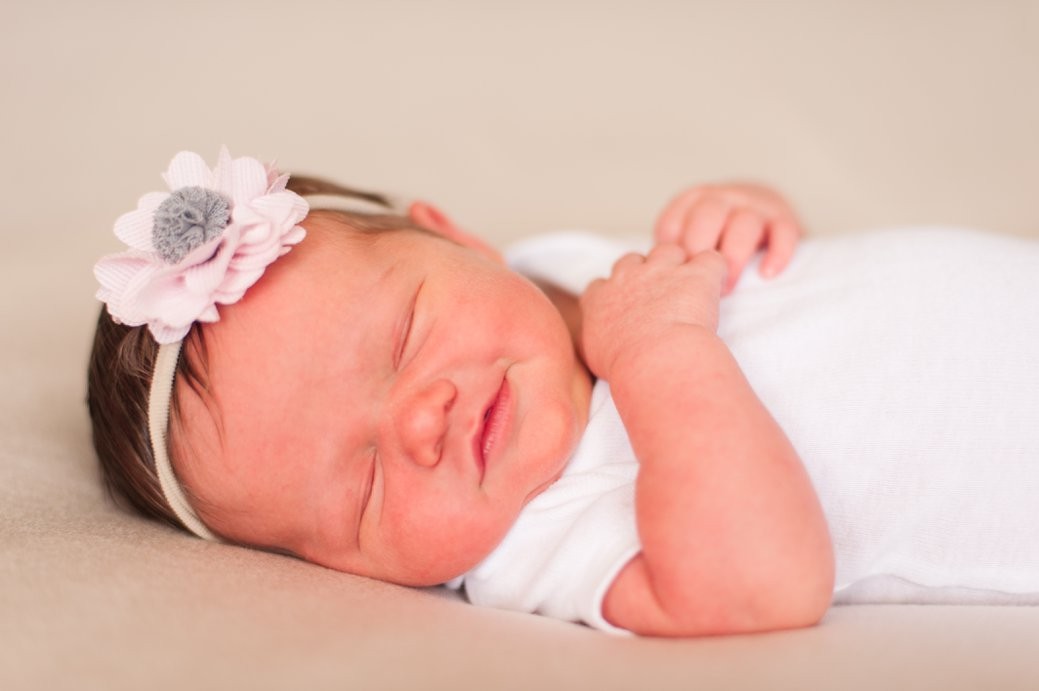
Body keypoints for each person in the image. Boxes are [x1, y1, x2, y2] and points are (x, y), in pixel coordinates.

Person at [89, 149, 1039, 638]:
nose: (419, 419)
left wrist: (746, 214)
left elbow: (796, 294)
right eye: (364, 486)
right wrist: (660, 348)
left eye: (405, 334)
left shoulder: (560, 273)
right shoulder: (541, 538)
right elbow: (758, 585)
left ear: (458, 237)